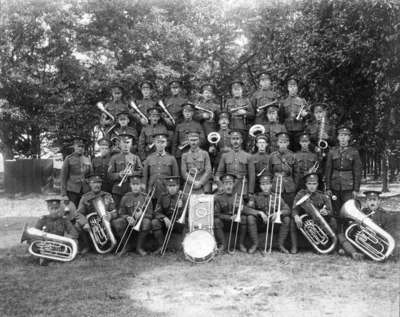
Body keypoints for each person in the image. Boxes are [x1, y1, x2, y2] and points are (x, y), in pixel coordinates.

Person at [268, 131, 298, 253]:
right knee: (277, 214)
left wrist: (294, 186)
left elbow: (296, 173)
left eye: (285, 142)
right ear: (277, 143)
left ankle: (293, 244)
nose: (283, 144)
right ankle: (277, 243)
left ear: (288, 143)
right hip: (276, 187)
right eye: (281, 142)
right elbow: (270, 172)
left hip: (289, 188)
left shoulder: (293, 156)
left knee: (289, 215)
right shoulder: (272, 156)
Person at [292, 173, 337, 254]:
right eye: (309, 184)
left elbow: (330, 211)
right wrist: (296, 216)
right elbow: (294, 209)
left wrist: (326, 212)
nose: (312, 186)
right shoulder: (300, 194)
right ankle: (294, 246)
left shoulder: (322, 195)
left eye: (314, 184)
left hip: (319, 221)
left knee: (333, 220)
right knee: (293, 222)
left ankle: (329, 245)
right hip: (307, 221)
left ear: (317, 184)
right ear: (306, 184)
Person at [338, 191, 388, 260]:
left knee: (376, 247)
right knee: (341, 235)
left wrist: (369, 236)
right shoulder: (362, 212)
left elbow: (386, 234)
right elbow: (355, 227)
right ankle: (354, 253)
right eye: (369, 200)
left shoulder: (384, 214)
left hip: (374, 242)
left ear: (379, 201)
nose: (372, 202)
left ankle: (352, 252)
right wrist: (359, 235)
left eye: (374, 200)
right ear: (366, 202)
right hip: (361, 240)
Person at [111, 172, 153, 256]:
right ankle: (127, 246)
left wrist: (142, 215)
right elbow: (121, 213)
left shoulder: (146, 197)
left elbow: (151, 215)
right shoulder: (125, 197)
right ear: (130, 185)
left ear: (141, 185)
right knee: (117, 222)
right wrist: (127, 217)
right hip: (129, 222)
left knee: (147, 222)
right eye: (133, 184)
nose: (135, 187)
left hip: (141, 222)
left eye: (137, 184)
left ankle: (139, 247)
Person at [325, 126, 362, 219]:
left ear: (349, 138)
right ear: (338, 137)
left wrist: (356, 189)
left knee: (348, 210)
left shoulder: (354, 152)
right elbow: (328, 170)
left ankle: (347, 231)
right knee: (335, 210)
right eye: (341, 135)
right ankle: (338, 232)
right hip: (334, 185)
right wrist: (328, 187)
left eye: (345, 135)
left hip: (348, 186)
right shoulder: (332, 151)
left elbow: (357, 172)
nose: (343, 138)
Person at [248, 175, 291, 253]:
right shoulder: (255, 196)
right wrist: (259, 212)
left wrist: (279, 213)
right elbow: (246, 209)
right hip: (260, 223)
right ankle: (255, 244)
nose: (265, 187)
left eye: (267, 184)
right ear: (260, 186)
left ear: (271, 185)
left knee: (287, 219)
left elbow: (288, 210)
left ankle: (280, 245)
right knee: (250, 217)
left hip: (272, 224)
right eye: (263, 184)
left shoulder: (277, 197)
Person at [75, 175, 117, 254]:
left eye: (99, 183)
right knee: (78, 225)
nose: (97, 185)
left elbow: (114, 211)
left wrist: (110, 215)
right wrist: (84, 223)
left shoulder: (107, 196)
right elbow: (79, 213)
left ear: (101, 184)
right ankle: (87, 246)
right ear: (90, 184)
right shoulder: (85, 197)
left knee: (117, 223)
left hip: (105, 221)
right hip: (93, 224)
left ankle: (110, 244)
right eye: (94, 183)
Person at [33, 196, 79, 265]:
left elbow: (74, 234)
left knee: (75, 242)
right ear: (48, 209)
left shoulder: (64, 220)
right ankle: (48, 257)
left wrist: (66, 239)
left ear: (59, 208)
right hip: (47, 245)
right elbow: (34, 233)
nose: (54, 211)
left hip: (60, 244)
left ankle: (49, 258)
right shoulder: (43, 219)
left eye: (56, 208)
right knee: (34, 244)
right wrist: (42, 237)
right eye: (52, 208)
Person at [151, 176, 187, 253]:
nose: (172, 188)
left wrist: (181, 208)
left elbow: (187, 215)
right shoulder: (162, 196)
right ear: (167, 187)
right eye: (170, 186)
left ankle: (185, 246)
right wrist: (164, 218)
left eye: (174, 186)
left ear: (177, 186)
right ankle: (162, 246)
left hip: (178, 223)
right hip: (167, 222)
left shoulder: (183, 197)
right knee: (155, 222)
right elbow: (157, 211)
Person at [215, 130, 255, 198]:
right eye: (233, 139)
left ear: (241, 140)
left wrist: (250, 191)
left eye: (237, 139)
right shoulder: (225, 156)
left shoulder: (248, 156)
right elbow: (219, 173)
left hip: (242, 187)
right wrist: (221, 186)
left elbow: (252, 175)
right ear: (230, 141)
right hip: (228, 186)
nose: (235, 141)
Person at [108, 133, 143, 208]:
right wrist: (119, 175)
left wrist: (132, 173)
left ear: (131, 144)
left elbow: (141, 172)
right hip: (117, 190)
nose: (126, 145)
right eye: (124, 142)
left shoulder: (135, 158)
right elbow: (110, 175)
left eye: (128, 142)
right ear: (120, 144)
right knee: (116, 210)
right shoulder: (114, 158)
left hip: (131, 189)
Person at [142, 132, 179, 199]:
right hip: (152, 192)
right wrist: (144, 192)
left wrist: (174, 193)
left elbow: (176, 178)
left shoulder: (171, 159)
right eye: (158, 142)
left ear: (166, 143)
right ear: (155, 143)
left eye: (163, 142)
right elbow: (144, 177)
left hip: (166, 192)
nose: (160, 144)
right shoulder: (149, 158)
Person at [60, 136, 92, 207]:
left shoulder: (87, 159)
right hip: (72, 190)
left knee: (83, 211)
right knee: (72, 211)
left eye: (82, 147)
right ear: (74, 147)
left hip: (84, 190)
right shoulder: (69, 159)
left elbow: (91, 175)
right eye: (78, 146)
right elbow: (63, 177)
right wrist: (64, 194)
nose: (80, 148)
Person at [280, 78, 310, 151]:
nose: (292, 88)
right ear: (288, 88)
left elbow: (309, 117)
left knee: (298, 151)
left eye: (294, 86)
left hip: (299, 130)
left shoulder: (302, 101)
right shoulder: (283, 102)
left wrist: (304, 115)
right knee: (288, 152)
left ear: (297, 88)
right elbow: (281, 118)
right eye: (290, 86)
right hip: (287, 131)